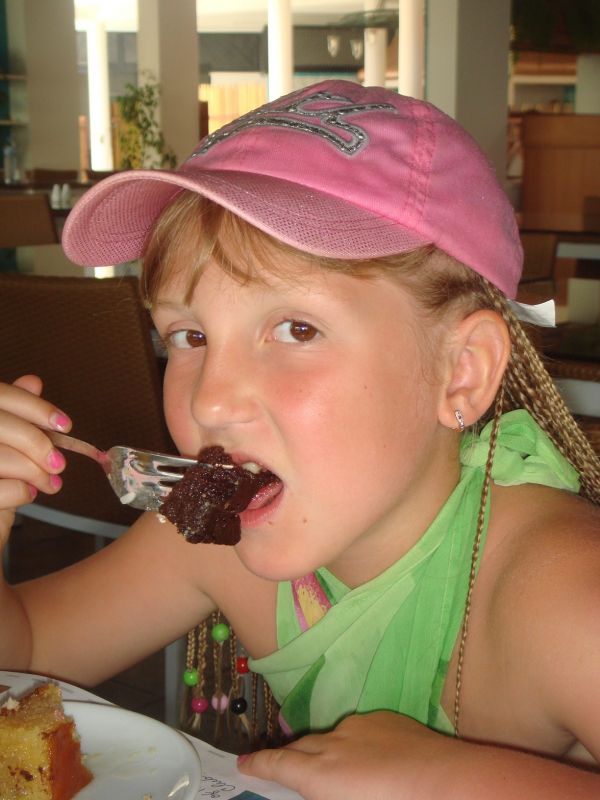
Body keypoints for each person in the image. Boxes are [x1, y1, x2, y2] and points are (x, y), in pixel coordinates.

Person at [1, 80, 599, 798]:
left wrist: (457, 780)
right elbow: (26, 648)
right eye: (188, 336)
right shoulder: (214, 546)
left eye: (297, 329)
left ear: (461, 372)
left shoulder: (565, 597)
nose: (210, 400)